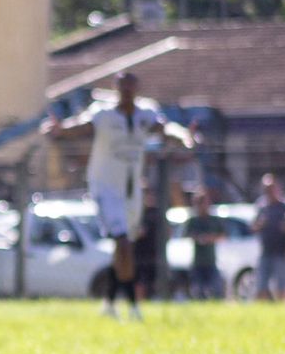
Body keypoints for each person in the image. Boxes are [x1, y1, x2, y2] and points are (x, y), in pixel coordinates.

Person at [44, 72, 188, 320]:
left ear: (137, 89)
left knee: (124, 248)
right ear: (117, 89)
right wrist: (59, 130)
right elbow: (79, 127)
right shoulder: (103, 114)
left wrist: (186, 136)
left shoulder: (146, 114)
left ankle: (110, 304)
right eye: (123, 88)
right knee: (123, 242)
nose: (127, 92)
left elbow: (166, 128)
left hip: (132, 191)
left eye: (131, 87)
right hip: (105, 188)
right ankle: (132, 306)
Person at [253, 174, 285, 302]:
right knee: (261, 286)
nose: (268, 192)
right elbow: (253, 226)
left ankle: (282, 310)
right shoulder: (261, 206)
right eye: (266, 189)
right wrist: (260, 224)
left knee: (281, 287)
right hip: (265, 251)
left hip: (281, 252)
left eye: (271, 189)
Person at [183, 192, 225, 300]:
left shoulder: (214, 220)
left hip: (211, 261)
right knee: (198, 291)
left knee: (217, 290)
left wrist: (210, 238)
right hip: (197, 261)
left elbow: (223, 235)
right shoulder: (193, 220)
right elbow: (186, 234)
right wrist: (198, 238)